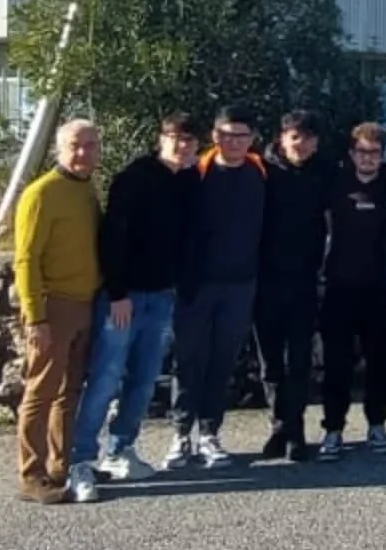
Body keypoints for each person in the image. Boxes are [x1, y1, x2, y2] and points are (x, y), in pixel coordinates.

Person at [68, 113, 198, 503]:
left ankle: (121, 450)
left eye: (190, 140)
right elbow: (114, 236)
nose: (182, 145)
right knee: (105, 378)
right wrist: (119, 292)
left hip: (161, 297)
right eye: (176, 137)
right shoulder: (135, 177)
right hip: (123, 298)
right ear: (161, 138)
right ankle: (79, 461)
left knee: (143, 381)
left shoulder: (190, 181)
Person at [166, 104, 267, 470]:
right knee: (188, 360)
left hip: (241, 284)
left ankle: (210, 433)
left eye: (242, 135)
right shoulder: (196, 173)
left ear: (253, 139)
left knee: (223, 362)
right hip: (196, 285)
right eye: (227, 134)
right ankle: (180, 435)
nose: (234, 142)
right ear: (214, 136)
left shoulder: (260, 172)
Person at [13, 118, 102, 504]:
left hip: (86, 303)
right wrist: (36, 318)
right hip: (53, 305)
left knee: (69, 394)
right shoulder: (41, 194)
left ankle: (60, 466)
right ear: (60, 149)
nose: (83, 153)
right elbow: (26, 259)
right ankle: (31, 474)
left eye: (91, 145)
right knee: (41, 391)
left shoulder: (85, 191)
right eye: (75, 146)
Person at [255, 109, 331, 462]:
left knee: (298, 360)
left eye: (308, 137)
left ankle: (297, 429)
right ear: (282, 138)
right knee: (270, 362)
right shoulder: (261, 171)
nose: (301, 144)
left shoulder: (325, 174)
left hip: (304, 280)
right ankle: (278, 426)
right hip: (265, 281)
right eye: (294, 136)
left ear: (316, 143)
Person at [319, 122, 386, 459]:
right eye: (362, 152)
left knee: (380, 362)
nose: (368, 158)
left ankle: (377, 424)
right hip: (338, 288)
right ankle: (333, 430)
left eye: (374, 152)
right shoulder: (334, 185)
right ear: (351, 154)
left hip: (379, 290)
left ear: (382, 155)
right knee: (337, 363)